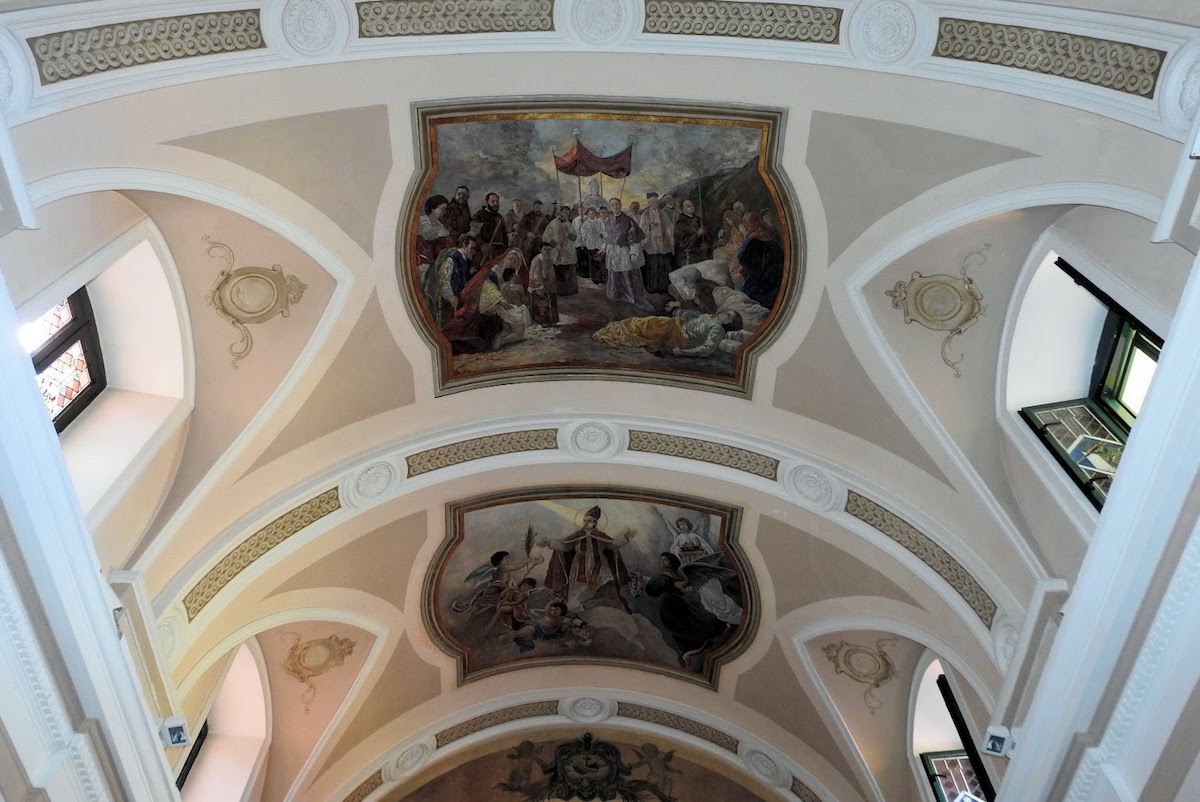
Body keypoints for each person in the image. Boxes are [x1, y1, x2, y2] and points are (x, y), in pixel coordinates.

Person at [644, 553, 733, 669]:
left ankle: (700, 647)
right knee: (682, 628)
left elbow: (684, 589)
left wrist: (687, 589)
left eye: (665, 559)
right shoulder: (663, 578)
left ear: (672, 561)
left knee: (695, 622)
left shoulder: (680, 573)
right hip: (671, 607)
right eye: (662, 560)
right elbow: (652, 590)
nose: (662, 562)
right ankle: (690, 653)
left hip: (682, 605)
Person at [539, 505, 634, 613]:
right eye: (584, 520)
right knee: (575, 599)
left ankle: (609, 608)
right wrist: (549, 543)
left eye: (589, 521)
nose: (585, 523)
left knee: (608, 587)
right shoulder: (577, 535)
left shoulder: (600, 536)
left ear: (595, 523)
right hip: (579, 568)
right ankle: (584, 612)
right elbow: (565, 546)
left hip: (600, 568)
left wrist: (625, 537)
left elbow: (613, 545)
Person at [442, 247, 531, 353]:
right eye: (510, 259)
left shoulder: (511, 276)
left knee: (512, 329)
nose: (512, 263)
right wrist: (500, 300)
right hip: (485, 306)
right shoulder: (494, 271)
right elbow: (487, 287)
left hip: (499, 308)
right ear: (505, 258)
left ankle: (501, 338)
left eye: (515, 262)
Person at [593, 310, 743, 358]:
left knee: (645, 325)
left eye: (729, 315)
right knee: (645, 322)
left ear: (728, 322)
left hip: (680, 337)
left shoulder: (717, 330)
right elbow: (695, 320)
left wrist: (681, 352)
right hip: (678, 325)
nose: (725, 312)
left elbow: (705, 349)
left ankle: (617, 331)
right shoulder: (713, 317)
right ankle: (619, 328)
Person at [450, 549, 542, 617]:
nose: (508, 560)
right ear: (500, 561)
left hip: (499, 590)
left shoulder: (505, 569)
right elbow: (516, 567)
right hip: (496, 588)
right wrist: (526, 561)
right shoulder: (502, 567)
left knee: (486, 604)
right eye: (506, 559)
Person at [602, 198, 652, 312]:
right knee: (615, 273)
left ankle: (632, 297)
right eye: (612, 205)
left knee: (629, 274)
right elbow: (606, 237)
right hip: (613, 251)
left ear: (620, 205)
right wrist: (603, 249)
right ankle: (616, 295)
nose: (615, 207)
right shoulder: (608, 221)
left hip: (624, 251)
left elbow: (634, 239)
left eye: (617, 204)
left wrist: (634, 253)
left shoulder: (628, 220)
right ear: (610, 207)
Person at [421, 234, 477, 326]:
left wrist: (469, 272)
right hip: (448, 302)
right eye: (472, 248)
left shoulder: (462, 259)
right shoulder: (451, 259)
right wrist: (450, 297)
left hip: (457, 299)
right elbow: (444, 280)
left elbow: (458, 274)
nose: (474, 252)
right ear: (464, 245)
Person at [737, 212, 785, 309]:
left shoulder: (751, 239)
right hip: (778, 275)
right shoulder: (770, 233)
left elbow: (743, 258)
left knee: (744, 290)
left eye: (746, 224)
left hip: (761, 281)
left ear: (749, 224)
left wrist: (744, 269)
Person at [640, 192, 675, 293]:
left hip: (662, 243)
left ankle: (664, 288)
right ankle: (652, 288)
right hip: (651, 243)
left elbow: (669, 227)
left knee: (663, 265)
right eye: (652, 201)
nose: (654, 203)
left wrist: (669, 236)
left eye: (656, 201)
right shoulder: (645, 214)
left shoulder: (662, 213)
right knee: (653, 266)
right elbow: (641, 229)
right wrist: (649, 227)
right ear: (649, 202)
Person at [544, 205, 579, 297]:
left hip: (568, 251)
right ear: (560, 213)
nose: (566, 214)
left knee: (568, 270)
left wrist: (569, 235)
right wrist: (553, 243)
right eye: (564, 212)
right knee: (559, 271)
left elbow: (574, 236)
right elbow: (546, 236)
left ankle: (569, 291)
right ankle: (559, 291)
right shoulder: (553, 223)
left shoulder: (568, 224)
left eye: (568, 213)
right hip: (557, 250)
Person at [416, 194, 453, 270]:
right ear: (433, 208)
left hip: (436, 255)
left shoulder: (440, 225)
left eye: (445, 209)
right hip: (423, 255)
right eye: (442, 209)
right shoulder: (421, 222)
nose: (444, 212)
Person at [471, 191, 508, 266]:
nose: (495, 204)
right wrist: (482, 245)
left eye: (497, 201)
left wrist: (506, 248)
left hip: (499, 251)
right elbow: (474, 234)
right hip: (484, 251)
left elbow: (504, 235)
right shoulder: (479, 216)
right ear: (487, 202)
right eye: (493, 201)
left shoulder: (499, 217)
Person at [527, 239, 559, 326]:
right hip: (540, 285)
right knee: (541, 304)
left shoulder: (550, 258)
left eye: (549, 249)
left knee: (551, 301)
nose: (547, 251)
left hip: (549, 285)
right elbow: (535, 274)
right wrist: (539, 286)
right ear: (540, 249)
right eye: (545, 249)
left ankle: (552, 320)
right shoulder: (537, 260)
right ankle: (541, 321)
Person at [673, 199, 710, 266]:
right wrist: (697, 234)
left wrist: (706, 241)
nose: (691, 207)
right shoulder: (680, 224)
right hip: (689, 257)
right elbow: (681, 244)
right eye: (688, 206)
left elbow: (707, 236)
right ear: (683, 209)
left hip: (703, 254)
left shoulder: (698, 219)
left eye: (692, 205)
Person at [579, 207, 606, 284]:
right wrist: (587, 240)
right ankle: (595, 278)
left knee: (600, 262)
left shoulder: (599, 222)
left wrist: (600, 235)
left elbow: (604, 232)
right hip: (590, 245)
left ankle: (601, 278)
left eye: (593, 213)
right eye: (590, 213)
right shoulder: (585, 224)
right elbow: (583, 235)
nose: (592, 215)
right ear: (587, 214)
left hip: (599, 244)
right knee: (592, 262)